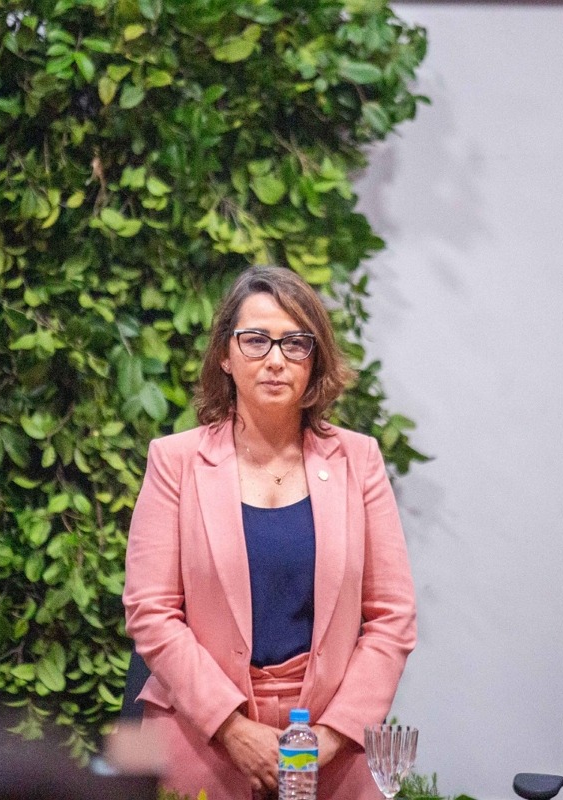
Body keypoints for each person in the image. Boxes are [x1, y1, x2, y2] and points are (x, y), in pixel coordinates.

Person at [122, 265, 417, 800]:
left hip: (333, 742)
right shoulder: (175, 462)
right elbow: (151, 611)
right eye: (256, 340)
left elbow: (391, 617)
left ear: (314, 359)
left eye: (295, 343)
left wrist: (330, 736)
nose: (275, 359)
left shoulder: (359, 460)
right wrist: (232, 727)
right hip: (201, 733)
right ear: (225, 355)